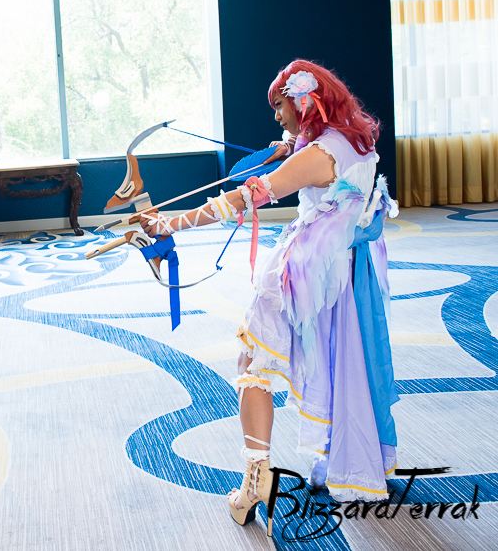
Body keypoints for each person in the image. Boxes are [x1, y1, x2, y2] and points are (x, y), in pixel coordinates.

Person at [140, 60, 398, 534]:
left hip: (304, 272)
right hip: (342, 271)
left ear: (305, 101)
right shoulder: (354, 139)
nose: (277, 116)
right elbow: (291, 166)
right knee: (335, 360)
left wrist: (169, 224)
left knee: (253, 361)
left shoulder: (318, 153)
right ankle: (333, 456)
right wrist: (287, 147)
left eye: (280, 105)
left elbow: (244, 197)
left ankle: (255, 479)